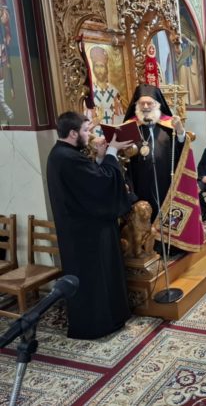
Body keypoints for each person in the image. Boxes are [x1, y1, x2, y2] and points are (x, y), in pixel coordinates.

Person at [46, 111, 132, 339]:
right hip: (87, 233)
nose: (89, 135)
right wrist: (112, 152)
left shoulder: (61, 154)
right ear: (73, 133)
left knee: (94, 277)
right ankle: (100, 324)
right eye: (85, 130)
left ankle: (106, 319)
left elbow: (89, 181)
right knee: (95, 279)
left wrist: (101, 158)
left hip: (80, 230)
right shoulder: (68, 158)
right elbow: (101, 183)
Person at [123, 84, 204, 253]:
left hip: (166, 180)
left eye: (149, 103)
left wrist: (180, 131)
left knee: (168, 211)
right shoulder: (130, 127)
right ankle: (149, 247)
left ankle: (171, 245)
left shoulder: (169, 126)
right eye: (142, 103)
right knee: (145, 213)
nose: (146, 107)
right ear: (136, 105)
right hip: (140, 181)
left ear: (157, 105)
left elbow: (182, 150)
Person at [89, 46, 122, 125]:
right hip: (95, 131)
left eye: (102, 66)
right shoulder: (90, 92)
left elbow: (120, 115)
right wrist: (97, 119)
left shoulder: (114, 91)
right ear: (93, 68)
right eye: (96, 66)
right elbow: (86, 120)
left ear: (106, 68)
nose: (99, 70)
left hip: (112, 128)